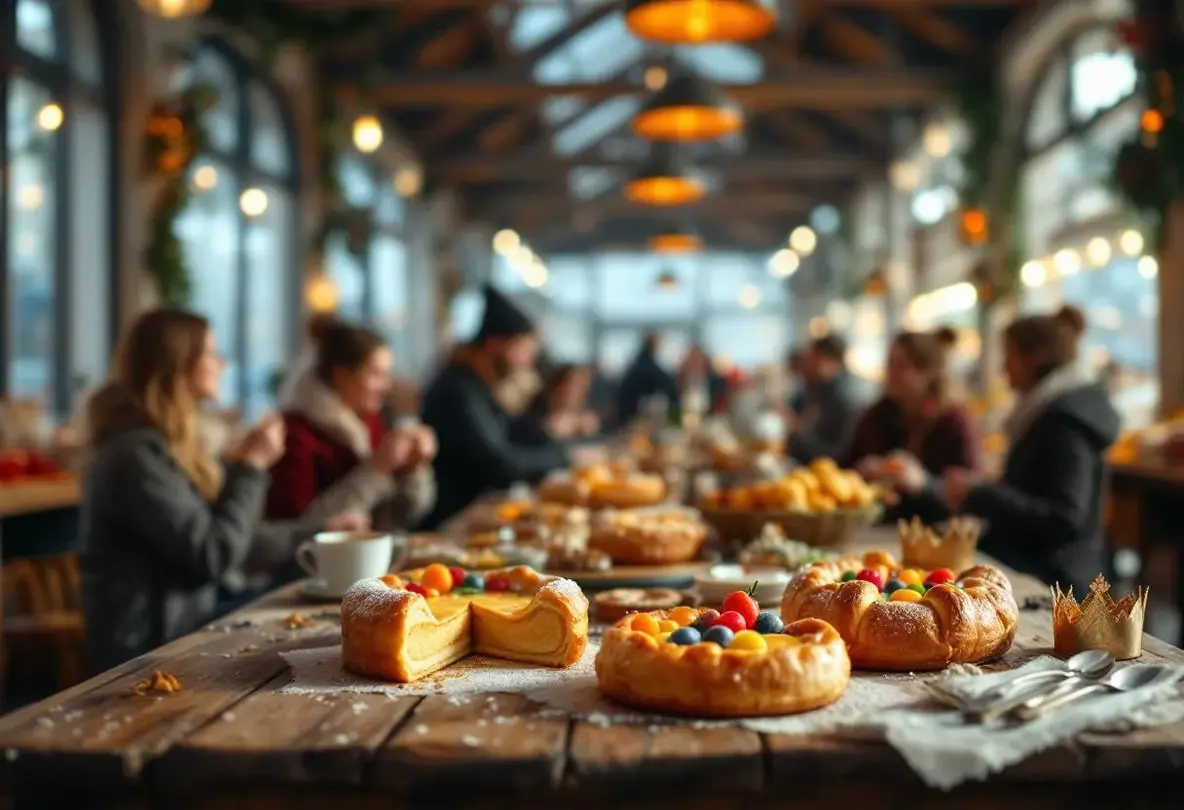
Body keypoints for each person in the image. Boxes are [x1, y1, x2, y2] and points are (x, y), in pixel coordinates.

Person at [79, 309, 363, 672]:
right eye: (211, 353)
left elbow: (234, 541)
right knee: (319, 624)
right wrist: (251, 469)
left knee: (322, 611)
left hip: (191, 620)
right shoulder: (135, 457)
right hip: (151, 646)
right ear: (179, 365)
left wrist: (322, 533)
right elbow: (213, 555)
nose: (222, 363)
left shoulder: (169, 446)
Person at [944, 306, 1117, 592]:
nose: (1002, 369)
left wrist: (980, 493)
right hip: (1038, 567)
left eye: (1009, 356)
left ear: (1036, 358)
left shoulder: (1065, 423)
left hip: (1057, 583)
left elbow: (1064, 520)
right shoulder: (1049, 413)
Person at [418, 285, 569, 529]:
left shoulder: (479, 383)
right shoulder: (458, 389)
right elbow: (501, 464)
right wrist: (562, 457)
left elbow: (517, 430)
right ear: (496, 344)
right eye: (521, 348)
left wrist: (554, 442)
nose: (527, 360)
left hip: (470, 514)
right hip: (448, 523)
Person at [266, 322, 436, 530]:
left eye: (387, 375)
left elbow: (395, 517)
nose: (386, 386)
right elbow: (300, 531)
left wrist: (414, 468)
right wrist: (377, 469)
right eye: (376, 374)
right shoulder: (294, 433)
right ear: (342, 375)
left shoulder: (370, 422)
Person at [847, 328, 977, 524]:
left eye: (901, 365)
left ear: (928, 373)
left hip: (934, 534)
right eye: (890, 363)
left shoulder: (954, 422)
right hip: (877, 528)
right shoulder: (877, 415)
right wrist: (861, 471)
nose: (890, 372)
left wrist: (923, 483)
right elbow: (843, 469)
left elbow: (970, 501)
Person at [787, 334, 861, 464]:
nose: (808, 364)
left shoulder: (845, 401)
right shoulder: (813, 390)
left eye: (814, 358)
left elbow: (838, 455)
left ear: (833, 362)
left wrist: (798, 435)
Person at [615, 332, 679, 428]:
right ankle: (675, 425)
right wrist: (675, 420)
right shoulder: (645, 363)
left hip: (627, 411)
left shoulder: (638, 361)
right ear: (653, 344)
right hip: (633, 414)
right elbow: (667, 381)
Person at [521, 364, 599, 441]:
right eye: (576, 386)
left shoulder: (586, 421)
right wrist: (548, 429)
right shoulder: (533, 420)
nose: (582, 393)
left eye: (584, 387)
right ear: (560, 387)